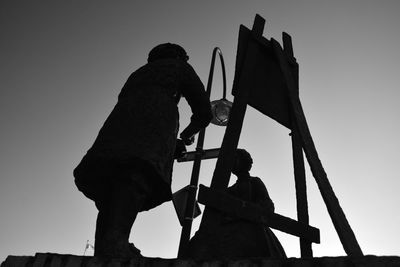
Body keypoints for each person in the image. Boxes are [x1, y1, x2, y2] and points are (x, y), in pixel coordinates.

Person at [73, 43, 212, 258]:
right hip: (155, 121)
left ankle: (106, 246)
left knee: (111, 185)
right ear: (179, 56)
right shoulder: (179, 68)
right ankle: (115, 242)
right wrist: (188, 133)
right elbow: (204, 111)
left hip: (118, 124)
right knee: (136, 177)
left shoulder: (138, 73)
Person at [224, 148, 286, 258]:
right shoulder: (230, 190)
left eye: (235, 159)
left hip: (255, 230)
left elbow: (268, 206)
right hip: (233, 232)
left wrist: (249, 209)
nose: (232, 163)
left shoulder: (255, 182)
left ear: (243, 162)